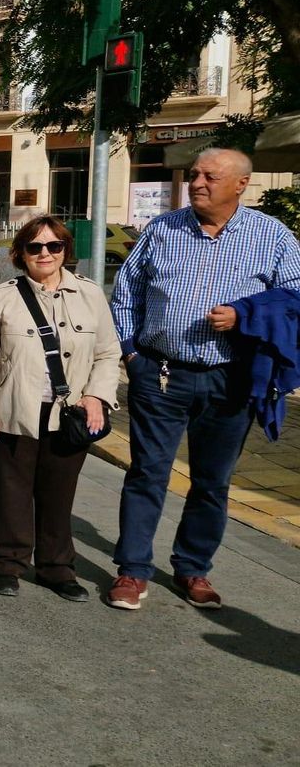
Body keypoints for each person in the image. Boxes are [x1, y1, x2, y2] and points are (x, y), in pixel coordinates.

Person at [106, 147, 300, 610]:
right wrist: (132, 354)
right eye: (194, 174)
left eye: (210, 176)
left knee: (212, 481)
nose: (197, 183)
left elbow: (295, 297)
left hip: (231, 380)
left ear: (240, 184)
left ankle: (193, 568)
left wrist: (244, 314)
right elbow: (125, 296)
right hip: (161, 374)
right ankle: (132, 570)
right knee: (147, 473)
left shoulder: (272, 236)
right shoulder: (163, 229)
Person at [0, 216, 120, 601]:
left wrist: (97, 396)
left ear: (65, 250)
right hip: (14, 409)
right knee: (10, 494)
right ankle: (8, 564)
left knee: (58, 496)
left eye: (54, 246)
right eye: (35, 247)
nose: (45, 254)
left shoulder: (89, 294)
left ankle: (57, 567)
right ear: (21, 254)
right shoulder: (2, 297)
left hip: (68, 415)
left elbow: (107, 353)